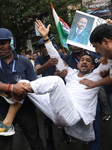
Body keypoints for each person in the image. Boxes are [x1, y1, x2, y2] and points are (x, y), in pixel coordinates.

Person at [0, 28, 44, 150]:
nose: (0, 47)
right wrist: (12, 88)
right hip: (2, 111)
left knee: (35, 142)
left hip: (26, 111)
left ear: (11, 43)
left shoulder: (24, 61)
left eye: (3, 43)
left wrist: (23, 92)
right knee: (4, 145)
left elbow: (34, 84)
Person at [34, 38, 71, 150]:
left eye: (46, 46)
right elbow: (37, 71)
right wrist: (48, 64)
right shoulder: (39, 59)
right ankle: (50, 144)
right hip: (47, 94)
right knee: (47, 119)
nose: (45, 49)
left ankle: (66, 135)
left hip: (62, 91)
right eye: (42, 47)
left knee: (63, 115)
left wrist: (61, 73)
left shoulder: (60, 55)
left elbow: (70, 68)